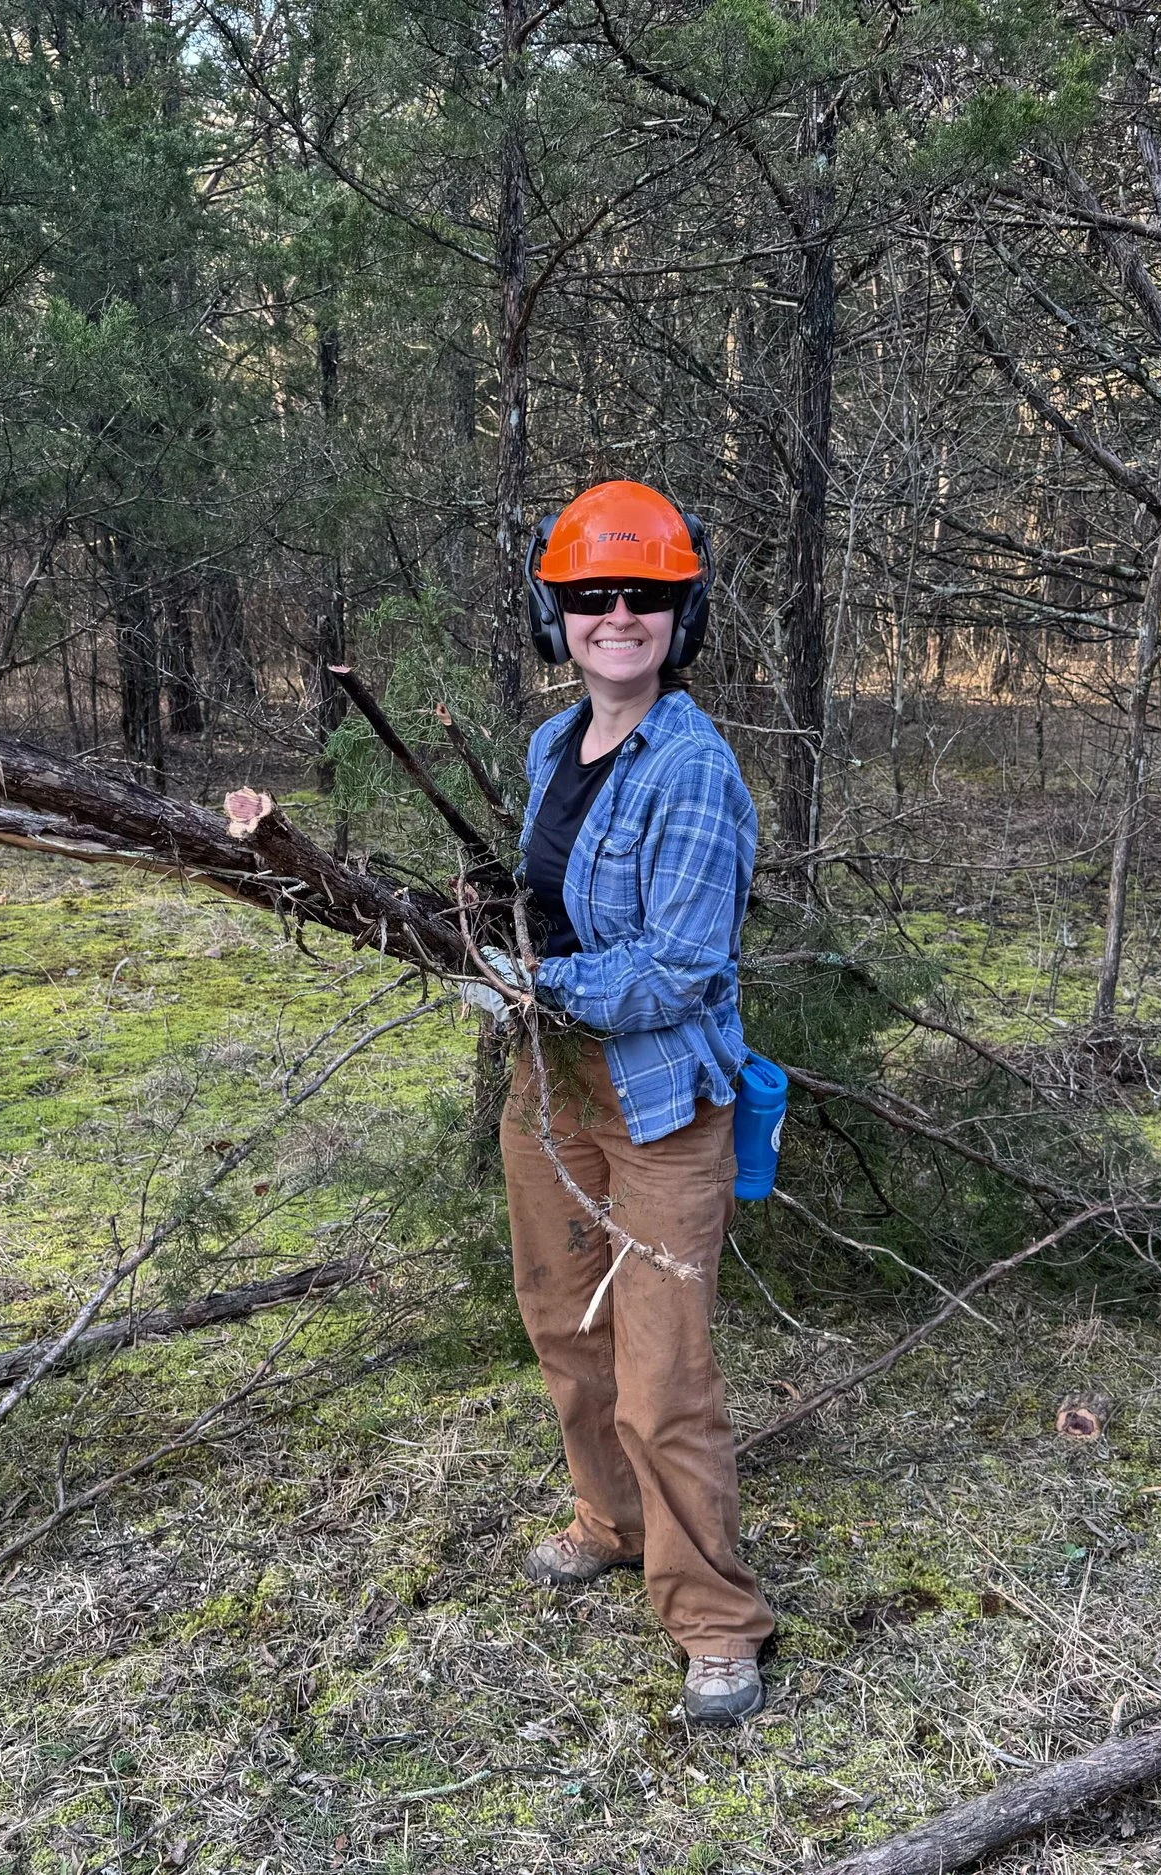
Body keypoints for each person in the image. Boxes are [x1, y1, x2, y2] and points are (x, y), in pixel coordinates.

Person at [487, 479, 774, 1725]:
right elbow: (539, 902)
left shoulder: (693, 769)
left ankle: (716, 1622)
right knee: (564, 1327)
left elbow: (679, 966)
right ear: (559, 615)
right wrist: (480, 937)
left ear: (679, 617)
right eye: (591, 597)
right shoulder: (555, 748)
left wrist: (534, 976)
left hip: (661, 1104)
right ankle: (606, 1520)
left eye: (642, 598)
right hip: (549, 1084)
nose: (617, 617)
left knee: (664, 1374)